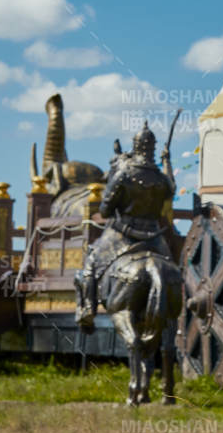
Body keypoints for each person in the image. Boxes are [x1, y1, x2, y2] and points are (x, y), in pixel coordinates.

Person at [74, 124, 174, 331]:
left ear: (135, 146)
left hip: (123, 234)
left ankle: (87, 310)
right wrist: (167, 162)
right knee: (172, 269)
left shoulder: (125, 174)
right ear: (153, 148)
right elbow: (171, 189)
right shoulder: (160, 177)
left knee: (91, 262)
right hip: (155, 238)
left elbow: (105, 211)